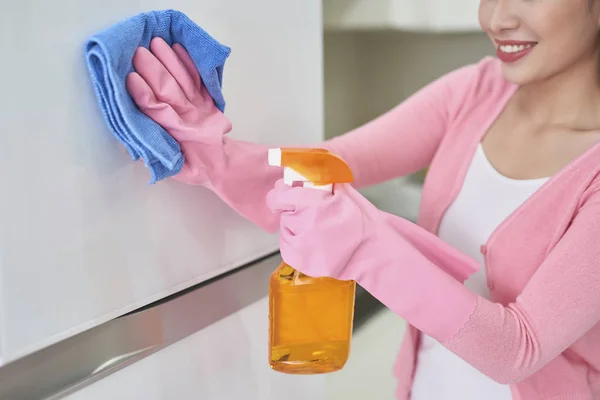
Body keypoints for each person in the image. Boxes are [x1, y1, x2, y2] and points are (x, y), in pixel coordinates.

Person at [125, 0, 600, 398]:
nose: (497, 18)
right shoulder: (479, 90)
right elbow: (330, 162)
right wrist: (215, 155)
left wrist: (368, 248)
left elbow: (518, 348)